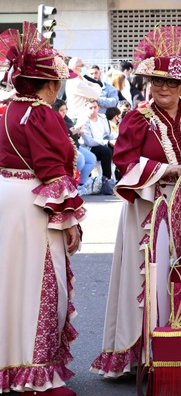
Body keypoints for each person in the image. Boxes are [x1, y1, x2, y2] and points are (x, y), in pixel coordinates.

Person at [91, 26, 181, 378]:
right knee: (148, 279)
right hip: (148, 210)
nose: (162, 88)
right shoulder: (138, 120)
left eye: (170, 82)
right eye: (156, 81)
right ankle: (144, 354)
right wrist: (169, 170)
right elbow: (125, 162)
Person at [0, 23, 84, 396]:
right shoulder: (42, 115)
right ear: (48, 85)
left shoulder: (3, 111)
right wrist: (70, 224)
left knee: (8, 284)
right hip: (33, 204)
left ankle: (8, 368)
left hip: (5, 198)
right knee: (40, 286)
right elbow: (52, 172)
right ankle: (34, 376)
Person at [53, 99, 97, 193]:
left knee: (91, 159)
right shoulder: (54, 119)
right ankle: (70, 184)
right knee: (80, 159)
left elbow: (70, 129)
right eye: (61, 110)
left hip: (75, 145)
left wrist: (77, 133)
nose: (64, 112)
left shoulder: (66, 118)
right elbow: (58, 133)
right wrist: (70, 132)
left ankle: (81, 184)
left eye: (65, 110)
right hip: (65, 147)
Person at [80, 99, 115, 193]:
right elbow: (89, 141)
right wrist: (107, 142)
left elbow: (108, 134)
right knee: (106, 151)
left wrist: (114, 141)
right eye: (90, 108)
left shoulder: (102, 118)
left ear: (98, 108)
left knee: (120, 148)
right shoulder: (83, 121)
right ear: (85, 109)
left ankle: (122, 177)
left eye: (95, 107)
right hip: (89, 148)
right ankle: (106, 181)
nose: (93, 110)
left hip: (103, 143)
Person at [64, 57, 101, 123]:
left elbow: (98, 86)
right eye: (82, 66)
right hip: (77, 118)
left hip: (83, 117)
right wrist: (90, 85)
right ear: (75, 68)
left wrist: (91, 85)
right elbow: (96, 94)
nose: (84, 67)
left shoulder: (81, 79)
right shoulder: (75, 82)